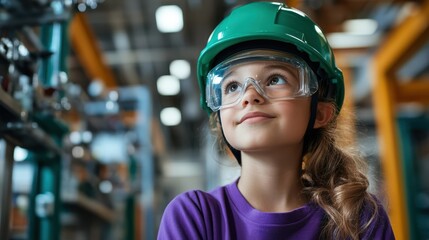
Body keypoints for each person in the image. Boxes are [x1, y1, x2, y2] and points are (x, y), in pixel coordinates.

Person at [158, 2, 395, 239]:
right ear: (220, 120)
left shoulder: (358, 218)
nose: (250, 95)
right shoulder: (195, 216)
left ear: (320, 112)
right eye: (232, 85)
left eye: (275, 79)